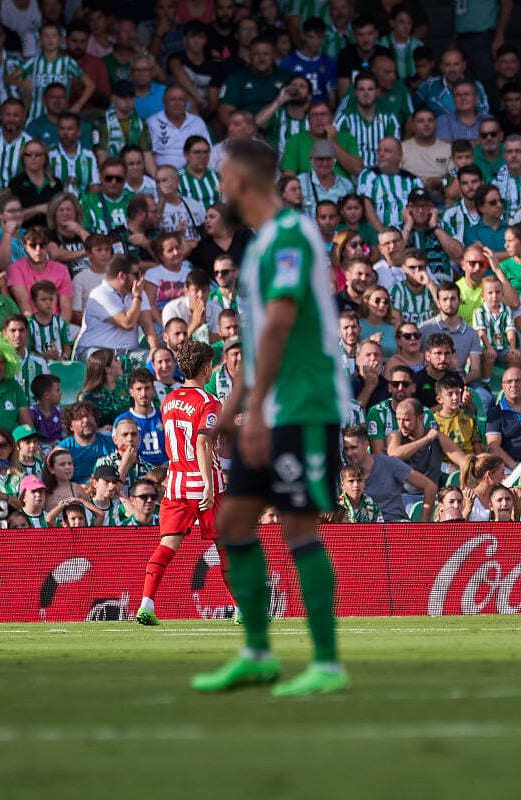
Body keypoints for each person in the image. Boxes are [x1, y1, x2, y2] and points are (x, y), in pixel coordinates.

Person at [190, 139, 350, 697]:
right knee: (231, 522)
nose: (219, 190)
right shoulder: (259, 248)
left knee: (296, 525)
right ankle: (257, 653)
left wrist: (255, 413)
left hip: (303, 405)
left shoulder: (289, 236)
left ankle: (327, 662)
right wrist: (230, 412)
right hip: (269, 407)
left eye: (222, 179)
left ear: (240, 181)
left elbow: (280, 324)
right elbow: (257, 347)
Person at [134, 343, 228, 625]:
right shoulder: (209, 402)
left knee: (167, 544)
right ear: (206, 369)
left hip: (175, 483)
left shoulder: (169, 399)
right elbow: (201, 441)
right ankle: (245, 610)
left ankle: (146, 605)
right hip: (203, 481)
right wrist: (209, 487)